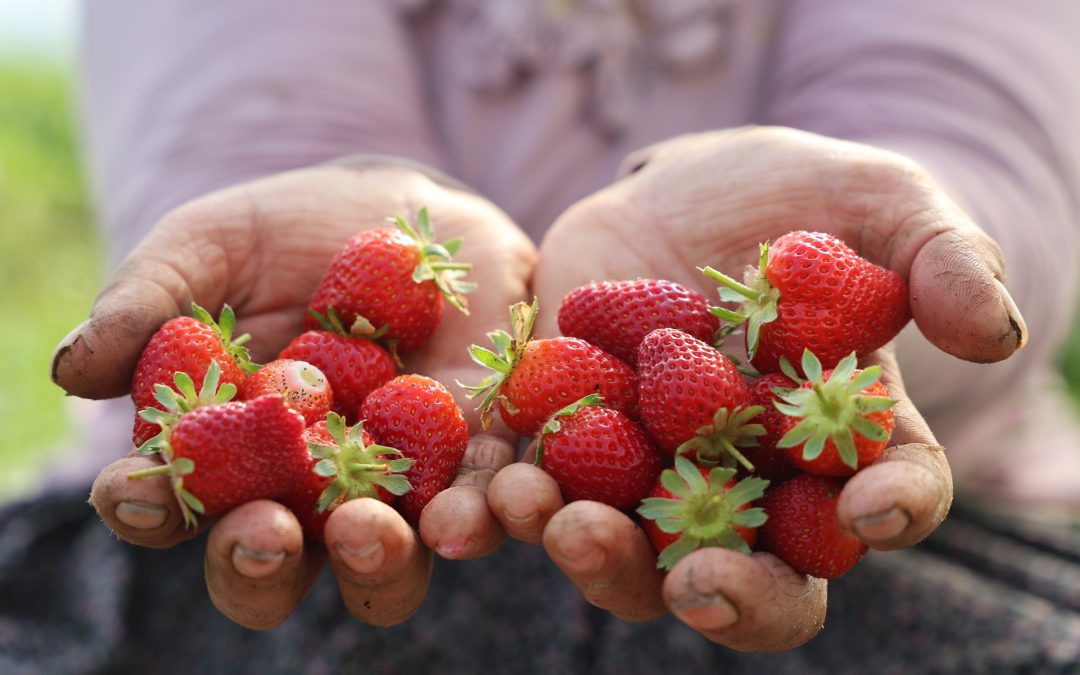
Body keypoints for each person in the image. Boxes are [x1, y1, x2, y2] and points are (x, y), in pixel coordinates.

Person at [3, 1, 1079, 672]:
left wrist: (861, 295)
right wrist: (339, 216)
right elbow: (243, 128)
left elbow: (989, 157)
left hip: (912, 523)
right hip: (260, 520)